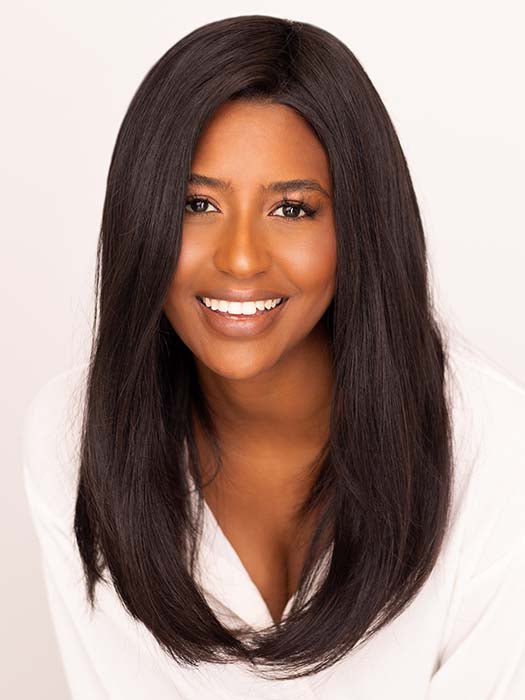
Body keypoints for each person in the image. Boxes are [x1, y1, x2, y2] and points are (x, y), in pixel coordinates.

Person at [22, 14, 525, 699]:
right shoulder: (73, 436)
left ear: (359, 227)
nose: (239, 258)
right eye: (197, 203)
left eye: (291, 210)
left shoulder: (496, 450)